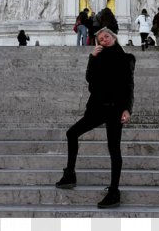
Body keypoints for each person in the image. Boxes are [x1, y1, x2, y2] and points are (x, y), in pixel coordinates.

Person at [55, 27, 135, 209]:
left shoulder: (126, 58)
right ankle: (70, 174)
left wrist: (127, 109)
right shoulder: (97, 57)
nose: (103, 40)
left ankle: (114, 191)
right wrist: (92, 58)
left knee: (114, 149)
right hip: (97, 108)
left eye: (106, 36)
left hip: (115, 109)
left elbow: (129, 86)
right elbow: (89, 79)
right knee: (72, 133)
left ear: (114, 37)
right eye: (100, 39)